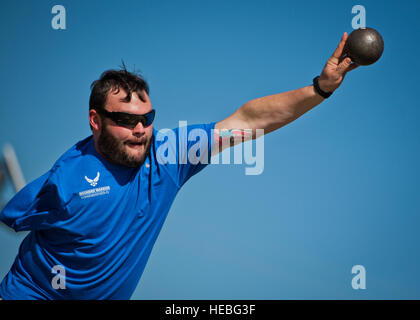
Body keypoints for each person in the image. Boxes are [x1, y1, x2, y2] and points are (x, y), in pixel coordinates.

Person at [0, 33, 358, 300]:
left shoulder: (168, 155)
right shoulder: (64, 181)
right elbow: (11, 217)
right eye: (125, 119)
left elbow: (247, 120)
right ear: (96, 120)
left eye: (147, 118)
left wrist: (320, 88)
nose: (139, 129)